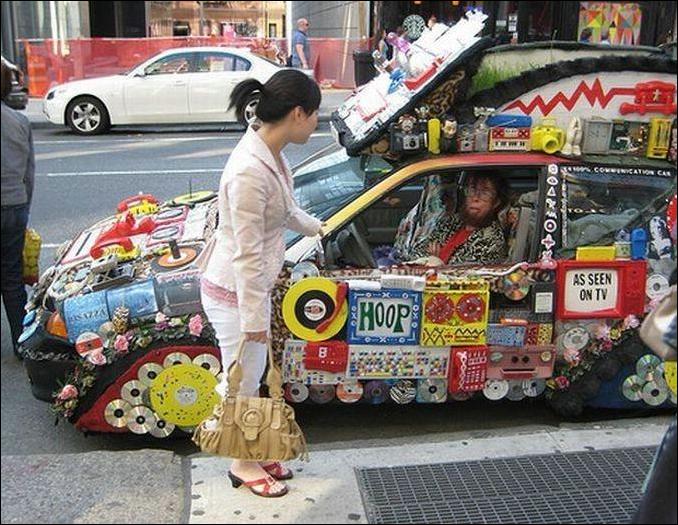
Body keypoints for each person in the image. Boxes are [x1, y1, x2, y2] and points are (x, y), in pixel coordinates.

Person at [199, 69, 323, 498]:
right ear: (297, 113)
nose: (317, 123)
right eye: (315, 115)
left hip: (248, 290)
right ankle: (241, 462)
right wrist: (254, 319)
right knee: (242, 380)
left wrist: (316, 228)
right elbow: (247, 255)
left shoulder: (270, 151)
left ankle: (250, 451)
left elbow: (284, 207)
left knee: (251, 376)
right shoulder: (249, 171)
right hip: (235, 292)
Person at [1, 58, 35, 357]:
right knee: (12, 276)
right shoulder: (19, 121)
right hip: (14, 204)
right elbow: (28, 172)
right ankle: (21, 341)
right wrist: (24, 207)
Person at [402, 173, 509, 264]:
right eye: (472, 189)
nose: (476, 197)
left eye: (485, 193)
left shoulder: (492, 240)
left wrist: (435, 261)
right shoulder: (452, 222)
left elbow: (466, 276)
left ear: (496, 202)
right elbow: (417, 252)